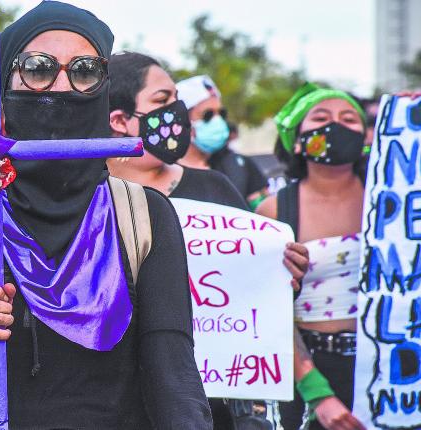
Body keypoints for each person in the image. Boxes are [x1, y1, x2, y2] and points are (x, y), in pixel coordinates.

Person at [0, 2, 213, 428]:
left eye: (84, 71)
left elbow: (174, 377)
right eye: (38, 69)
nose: (61, 88)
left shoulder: (144, 216)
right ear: (3, 88)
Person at [107, 50, 309, 430]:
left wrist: (280, 276)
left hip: (210, 402)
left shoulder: (214, 187)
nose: (178, 113)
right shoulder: (92, 198)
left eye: (177, 101)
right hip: (118, 400)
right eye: (162, 101)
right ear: (119, 120)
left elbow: (251, 289)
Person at [256, 83, 370, 430]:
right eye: (321, 118)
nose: (336, 125)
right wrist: (316, 392)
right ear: (296, 137)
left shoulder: (393, 198)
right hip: (308, 370)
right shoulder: (275, 210)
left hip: (386, 365)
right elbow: (265, 307)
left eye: (349, 118)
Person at [176, 75, 269, 209]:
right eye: (208, 115)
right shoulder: (164, 171)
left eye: (221, 113)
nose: (218, 121)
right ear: (183, 120)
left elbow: (263, 212)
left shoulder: (239, 165)